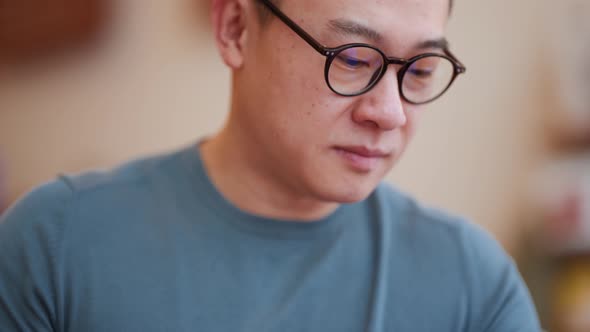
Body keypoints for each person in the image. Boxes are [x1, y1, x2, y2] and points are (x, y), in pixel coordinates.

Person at [0, 0, 542, 331]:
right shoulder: (56, 246)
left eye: (421, 70)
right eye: (352, 57)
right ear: (235, 27)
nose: (389, 112)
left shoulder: (473, 285)